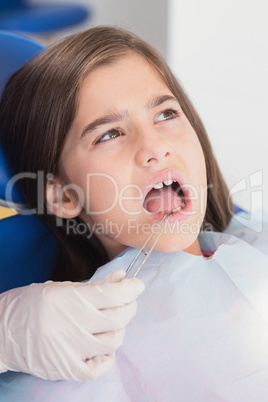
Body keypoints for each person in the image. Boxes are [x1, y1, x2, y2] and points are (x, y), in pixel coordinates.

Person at [0, 26, 268, 399]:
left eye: (166, 113)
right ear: (63, 195)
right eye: (109, 134)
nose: (155, 146)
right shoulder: (76, 370)